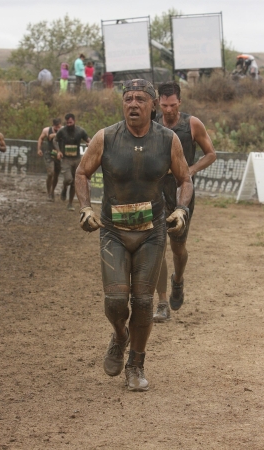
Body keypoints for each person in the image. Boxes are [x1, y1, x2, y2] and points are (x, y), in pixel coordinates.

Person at [75, 79, 193, 391]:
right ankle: (120, 335)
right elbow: (82, 172)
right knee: (116, 302)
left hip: (151, 232)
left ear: (153, 104)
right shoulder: (106, 137)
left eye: (140, 99)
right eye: (128, 98)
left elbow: (185, 178)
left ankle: (136, 364)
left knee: (143, 303)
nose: (133, 104)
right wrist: (86, 207)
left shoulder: (168, 140)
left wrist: (181, 209)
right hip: (113, 231)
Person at [153, 81, 216, 323]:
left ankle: (177, 280)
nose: (168, 110)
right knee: (157, 248)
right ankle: (161, 303)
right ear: (159, 102)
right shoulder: (153, 123)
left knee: (178, 248)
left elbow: (211, 154)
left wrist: (190, 170)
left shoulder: (192, 124)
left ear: (179, 102)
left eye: (172, 105)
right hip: (156, 193)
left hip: (182, 193)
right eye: (164, 105)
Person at [53, 113, 90, 211]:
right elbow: (55, 140)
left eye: (70, 122)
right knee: (68, 179)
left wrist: (89, 143)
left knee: (75, 182)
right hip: (66, 159)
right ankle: (64, 188)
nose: (69, 124)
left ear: (74, 121)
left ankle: (70, 203)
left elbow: (88, 139)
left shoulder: (80, 131)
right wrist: (58, 151)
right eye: (67, 123)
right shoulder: (62, 131)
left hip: (77, 159)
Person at [37, 118, 62, 201]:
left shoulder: (64, 130)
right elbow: (41, 138)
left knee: (56, 174)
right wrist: (39, 149)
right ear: (53, 125)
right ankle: (49, 193)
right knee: (50, 173)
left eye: (59, 127)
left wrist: (55, 135)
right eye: (56, 128)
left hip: (59, 154)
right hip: (49, 153)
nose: (57, 129)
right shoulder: (46, 130)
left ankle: (52, 191)